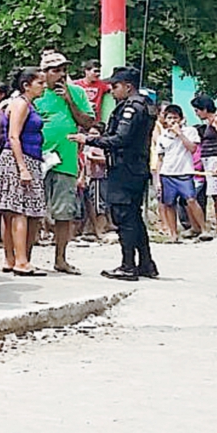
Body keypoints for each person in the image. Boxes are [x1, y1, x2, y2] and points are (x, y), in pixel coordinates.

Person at [71, 67, 157, 281]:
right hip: (135, 168)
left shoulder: (132, 108)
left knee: (123, 217)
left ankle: (128, 266)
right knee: (134, 217)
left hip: (125, 168)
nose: (111, 90)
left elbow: (121, 140)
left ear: (128, 86)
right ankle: (145, 263)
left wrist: (89, 140)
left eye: (115, 86)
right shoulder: (143, 104)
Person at [33, 51, 95, 275]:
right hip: (38, 157)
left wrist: (69, 100)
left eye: (63, 70)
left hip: (65, 160)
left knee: (64, 212)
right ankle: (27, 257)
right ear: (44, 73)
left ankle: (60, 258)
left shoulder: (76, 92)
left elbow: (88, 122)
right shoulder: (35, 91)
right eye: (54, 70)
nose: (59, 75)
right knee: (33, 210)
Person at [0, 67, 48, 277]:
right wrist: (23, 168)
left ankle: (12, 258)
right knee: (19, 211)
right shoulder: (20, 104)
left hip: (26, 158)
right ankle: (21, 260)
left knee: (14, 211)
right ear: (27, 85)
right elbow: (14, 136)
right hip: (20, 159)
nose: (43, 87)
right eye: (39, 83)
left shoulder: (26, 104)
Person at [154, 104, 209, 241]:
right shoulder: (162, 137)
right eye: (170, 118)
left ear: (181, 119)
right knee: (169, 203)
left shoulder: (190, 131)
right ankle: (173, 234)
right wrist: (158, 179)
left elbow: (192, 148)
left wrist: (180, 133)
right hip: (167, 173)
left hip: (184, 172)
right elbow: (160, 159)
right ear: (165, 119)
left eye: (175, 118)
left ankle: (203, 229)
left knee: (191, 200)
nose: (173, 121)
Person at [190, 95, 217, 234]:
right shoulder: (209, 122)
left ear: (205, 109)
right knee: (214, 195)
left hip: (215, 160)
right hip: (208, 160)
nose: (196, 114)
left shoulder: (216, 120)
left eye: (197, 110)